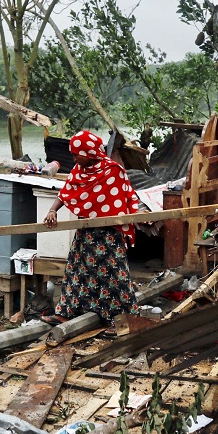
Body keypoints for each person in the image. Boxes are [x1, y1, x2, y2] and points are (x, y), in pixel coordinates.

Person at [41, 130, 140, 330]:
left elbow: (123, 201)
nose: (74, 158)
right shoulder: (79, 170)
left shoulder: (112, 170)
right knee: (76, 271)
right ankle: (66, 313)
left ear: (91, 152)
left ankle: (123, 320)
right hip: (86, 232)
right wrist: (52, 210)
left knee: (114, 276)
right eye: (73, 154)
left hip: (108, 234)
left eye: (78, 154)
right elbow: (66, 191)